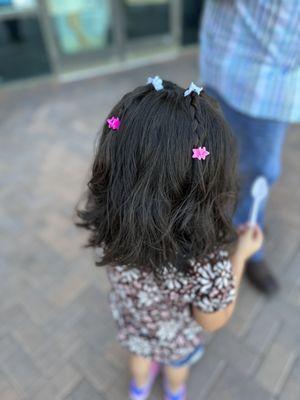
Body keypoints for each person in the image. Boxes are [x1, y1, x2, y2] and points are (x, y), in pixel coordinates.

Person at [76, 78, 263, 400]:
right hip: (175, 340)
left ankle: (139, 388)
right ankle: (174, 391)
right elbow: (213, 319)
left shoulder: (109, 221)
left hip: (134, 324)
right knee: (176, 367)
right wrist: (241, 255)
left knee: (140, 358)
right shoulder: (206, 262)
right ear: (208, 186)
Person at [200, 0, 300, 295]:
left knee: (254, 171)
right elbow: (213, 318)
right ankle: (236, 243)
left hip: (281, 81)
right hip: (236, 64)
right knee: (249, 168)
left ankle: (241, 233)